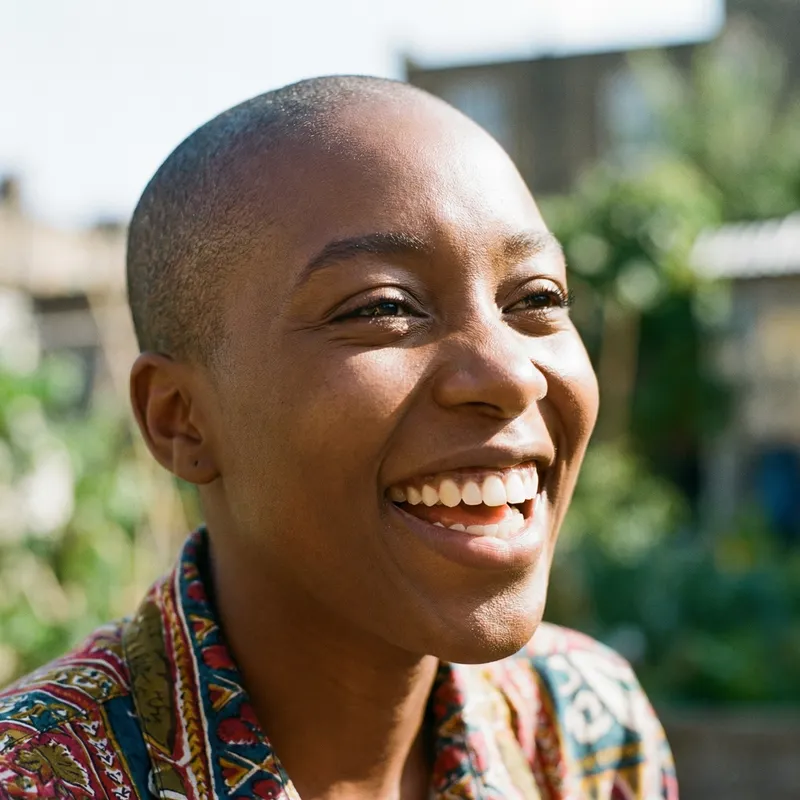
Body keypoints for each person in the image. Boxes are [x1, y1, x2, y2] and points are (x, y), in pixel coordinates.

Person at [0, 76, 677, 799]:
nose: (511, 375)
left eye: (537, 298)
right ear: (180, 418)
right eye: (384, 307)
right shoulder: (38, 779)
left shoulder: (584, 727)